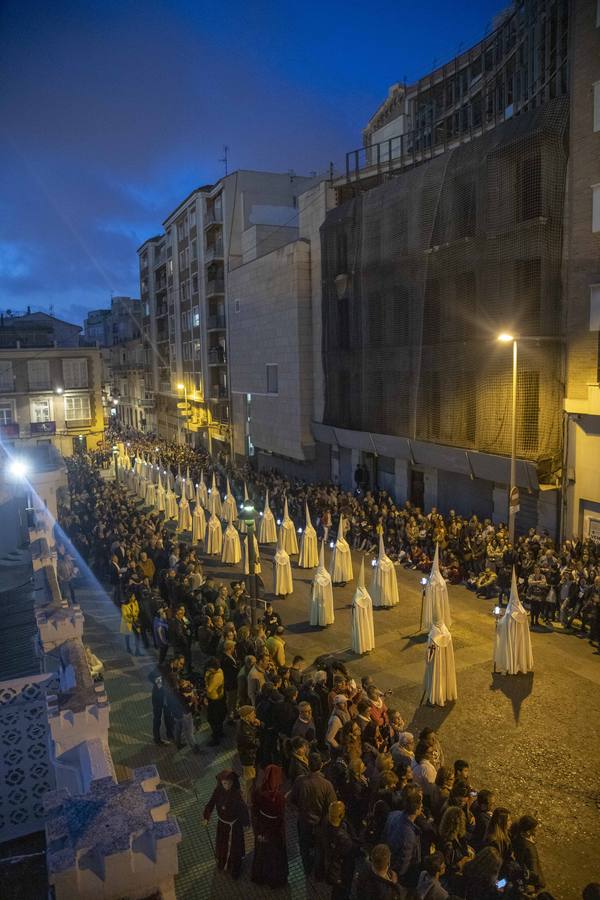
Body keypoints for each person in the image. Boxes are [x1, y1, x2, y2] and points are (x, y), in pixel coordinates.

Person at [289, 751, 337, 876]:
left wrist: (299, 810)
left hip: (304, 821)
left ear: (308, 765)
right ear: (321, 765)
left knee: (304, 846)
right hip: (320, 823)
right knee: (319, 848)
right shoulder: (327, 785)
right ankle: (318, 873)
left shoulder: (300, 781)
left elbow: (291, 800)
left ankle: (307, 869)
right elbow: (333, 806)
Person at [203, 770, 250, 880]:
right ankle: (222, 862)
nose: (227, 786)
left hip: (235, 826)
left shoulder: (237, 794)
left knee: (235, 847)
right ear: (221, 783)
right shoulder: (218, 791)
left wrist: (246, 822)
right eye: (225, 783)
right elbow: (211, 803)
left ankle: (235, 869)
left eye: (229, 783)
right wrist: (206, 816)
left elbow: (243, 809)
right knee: (222, 845)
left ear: (233, 783)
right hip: (223, 825)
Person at [250, 764, 288, 888]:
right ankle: (275, 880)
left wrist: (259, 832)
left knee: (262, 854)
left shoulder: (257, 791)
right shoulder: (279, 797)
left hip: (261, 827)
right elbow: (280, 818)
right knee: (275, 856)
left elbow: (254, 811)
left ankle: (260, 876)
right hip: (275, 832)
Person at [316, 800, 360, 900]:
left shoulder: (326, 821)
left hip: (331, 865)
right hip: (341, 870)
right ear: (341, 815)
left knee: (337, 890)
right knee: (342, 890)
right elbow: (353, 849)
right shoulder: (342, 838)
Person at [382, 786, 423, 888]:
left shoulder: (393, 814)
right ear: (417, 809)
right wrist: (398, 875)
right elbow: (404, 861)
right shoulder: (409, 835)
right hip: (398, 872)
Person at [511, 814, 546, 893]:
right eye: (534, 829)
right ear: (528, 832)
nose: (535, 832)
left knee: (500, 884)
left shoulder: (516, 837)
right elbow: (534, 874)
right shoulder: (529, 849)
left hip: (516, 873)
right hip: (526, 883)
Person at [236, 705, 260, 800]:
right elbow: (253, 743)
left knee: (251, 779)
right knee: (249, 780)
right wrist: (259, 739)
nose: (255, 715)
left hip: (248, 756)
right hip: (248, 758)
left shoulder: (245, 724)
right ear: (248, 716)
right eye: (253, 714)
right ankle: (248, 801)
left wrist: (255, 725)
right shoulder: (245, 731)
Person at [204, 657, 226, 746]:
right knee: (219, 718)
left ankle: (216, 739)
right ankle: (219, 732)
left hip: (215, 700)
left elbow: (209, 689)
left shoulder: (217, 676)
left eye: (210, 668)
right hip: (219, 699)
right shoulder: (219, 670)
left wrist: (206, 682)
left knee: (212, 719)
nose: (208, 670)